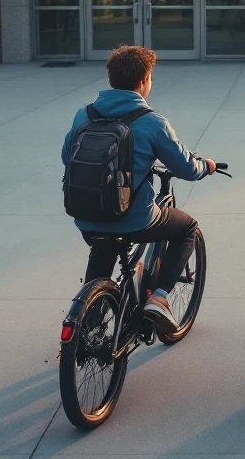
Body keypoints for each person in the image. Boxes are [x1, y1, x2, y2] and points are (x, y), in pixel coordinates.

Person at [61, 45, 216, 334]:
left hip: (85, 217)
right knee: (187, 229)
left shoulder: (84, 115)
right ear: (144, 80)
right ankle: (159, 298)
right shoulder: (153, 123)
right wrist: (206, 166)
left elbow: (66, 158)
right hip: (135, 220)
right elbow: (185, 167)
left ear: (111, 78)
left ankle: (86, 327)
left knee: (103, 245)